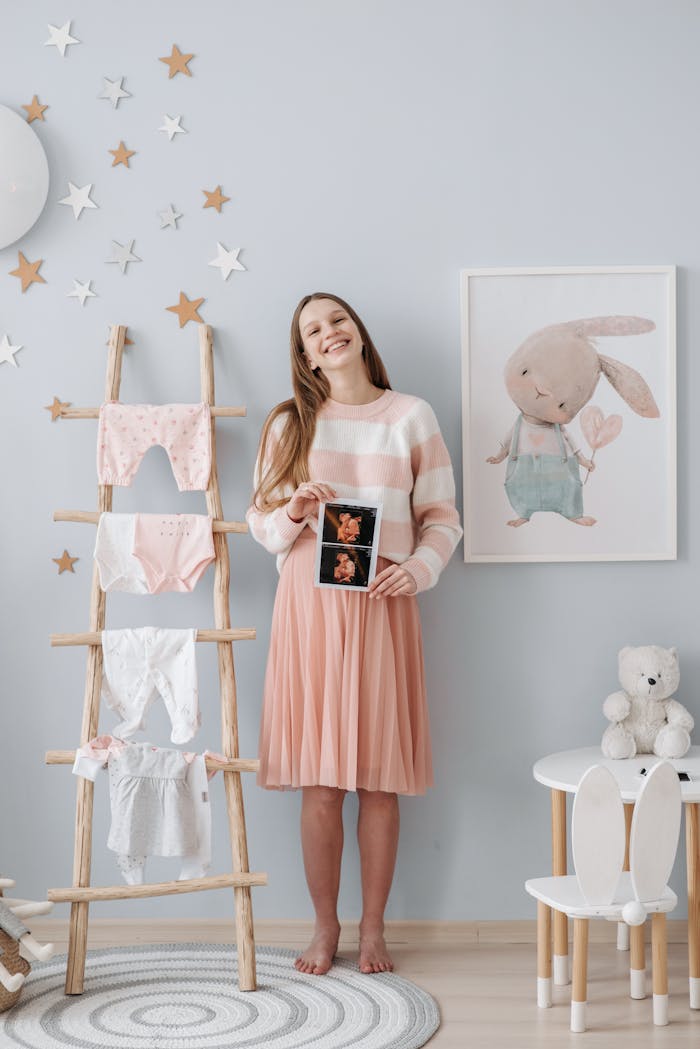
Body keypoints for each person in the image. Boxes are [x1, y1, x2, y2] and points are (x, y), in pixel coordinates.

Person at [246, 292, 462, 976]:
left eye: (337, 319)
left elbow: (443, 517)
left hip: (381, 604)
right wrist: (293, 510)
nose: (329, 333)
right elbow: (262, 526)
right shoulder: (289, 424)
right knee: (321, 783)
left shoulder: (410, 416)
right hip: (309, 606)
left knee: (377, 783)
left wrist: (418, 571)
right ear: (306, 356)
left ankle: (373, 929)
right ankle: (324, 927)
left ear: (358, 333)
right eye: (313, 330)